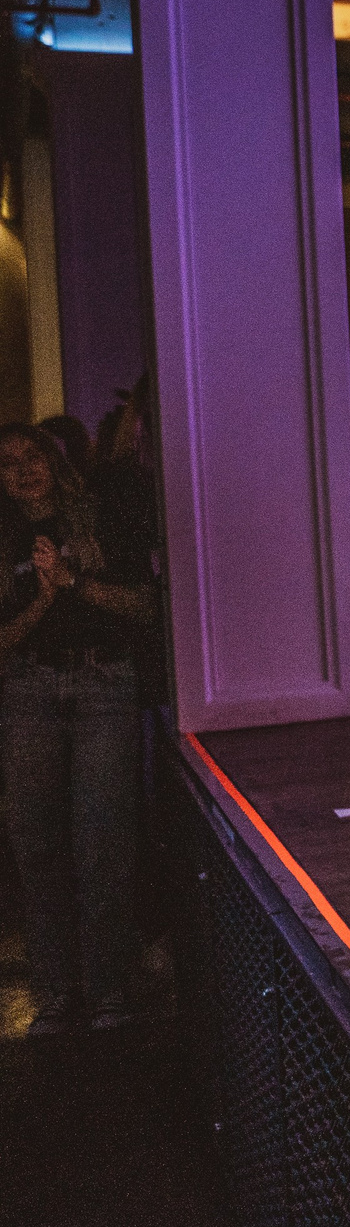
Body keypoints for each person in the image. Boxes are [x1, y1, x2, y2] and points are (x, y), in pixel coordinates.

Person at [0, 423, 156, 1035]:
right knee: (36, 838)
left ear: (53, 458)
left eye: (30, 456)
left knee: (103, 839)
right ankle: (57, 993)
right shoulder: (6, 533)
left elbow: (142, 603)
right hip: (29, 686)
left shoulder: (98, 515)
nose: (21, 471)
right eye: (7, 463)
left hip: (101, 682)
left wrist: (74, 584)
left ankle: (108, 991)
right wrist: (42, 600)